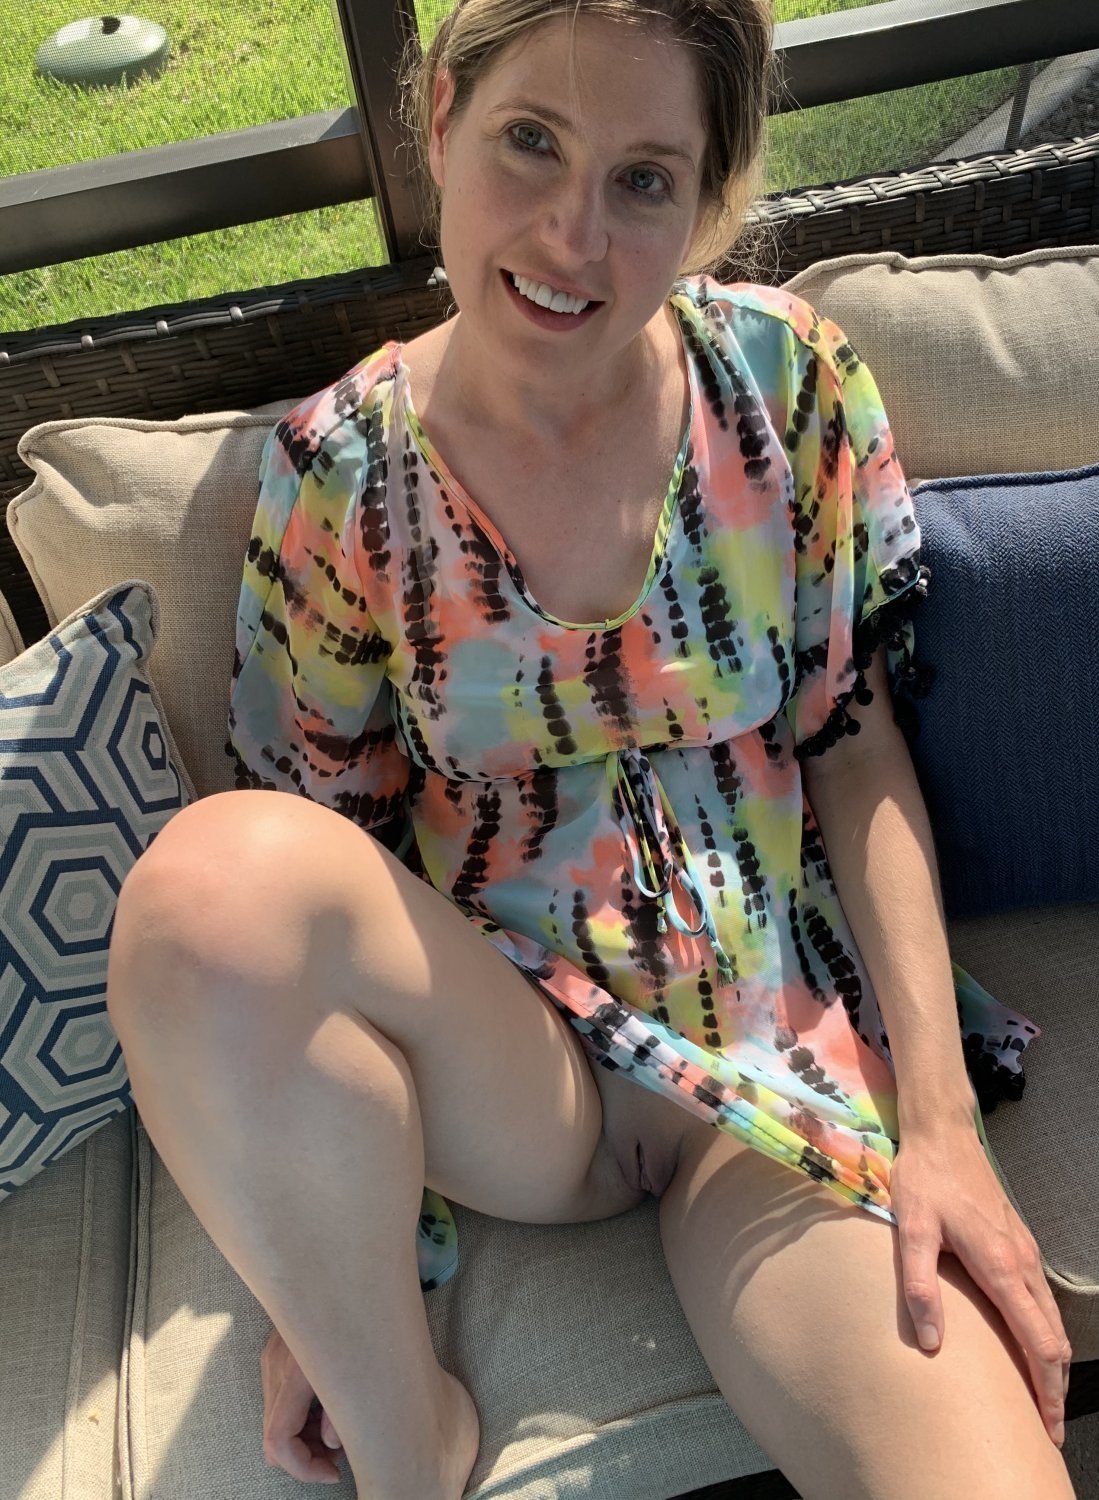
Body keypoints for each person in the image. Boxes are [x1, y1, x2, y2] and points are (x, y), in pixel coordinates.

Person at [104, 0, 1077, 1495]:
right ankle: (410, 1449)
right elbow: (319, 846)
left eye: (643, 178)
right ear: (442, 118)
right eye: (530, 141)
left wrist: (941, 1129)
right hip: (508, 1060)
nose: (573, 234)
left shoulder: (789, 387)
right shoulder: (344, 475)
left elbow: (854, 744)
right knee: (207, 884)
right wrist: (319, 1278)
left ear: (709, 198)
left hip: (768, 1060)